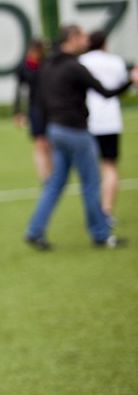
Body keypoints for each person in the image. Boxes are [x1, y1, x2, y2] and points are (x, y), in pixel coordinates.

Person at [25, 25, 138, 250]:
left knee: (55, 183)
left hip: (55, 130)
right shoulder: (75, 67)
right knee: (91, 183)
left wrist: (45, 131)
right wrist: (131, 81)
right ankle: (101, 234)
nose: (86, 41)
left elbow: (41, 100)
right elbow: (106, 93)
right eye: (83, 37)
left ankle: (34, 231)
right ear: (73, 38)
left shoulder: (48, 65)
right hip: (76, 131)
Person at [78, 30, 129, 225]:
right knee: (110, 166)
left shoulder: (82, 61)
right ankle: (106, 211)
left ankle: (93, 214)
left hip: (87, 121)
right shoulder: (115, 61)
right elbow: (122, 88)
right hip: (110, 121)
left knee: (90, 171)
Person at [14, 38, 51, 183]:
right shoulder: (24, 66)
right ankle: (44, 176)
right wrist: (18, 112)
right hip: (35, 107)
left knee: (50, 142)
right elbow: (19, 90)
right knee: (39, 143)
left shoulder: (47, 63)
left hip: (50, 106)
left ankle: (52, 174)